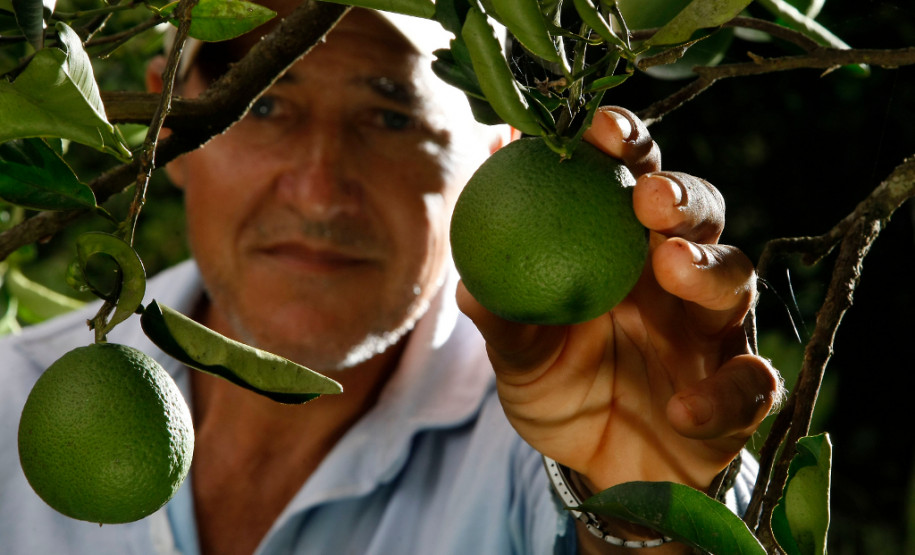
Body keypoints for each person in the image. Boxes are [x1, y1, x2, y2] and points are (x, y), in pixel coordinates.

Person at [0, 3, 781, 554]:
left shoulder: (537, 450)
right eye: (264, 105)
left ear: (494, 149)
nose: (317, 187)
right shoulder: (13, 397)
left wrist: (645, 519)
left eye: (391, 116)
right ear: (171, 127)